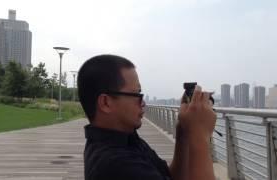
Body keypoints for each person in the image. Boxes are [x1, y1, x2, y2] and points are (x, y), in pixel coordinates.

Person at [77, 54, 216, 180]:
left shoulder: (125, 140)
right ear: (106, 103)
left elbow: (170, 176)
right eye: (136, 94)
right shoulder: (117, 165)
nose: (143, 103)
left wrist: (184, 132)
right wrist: (199, 135)